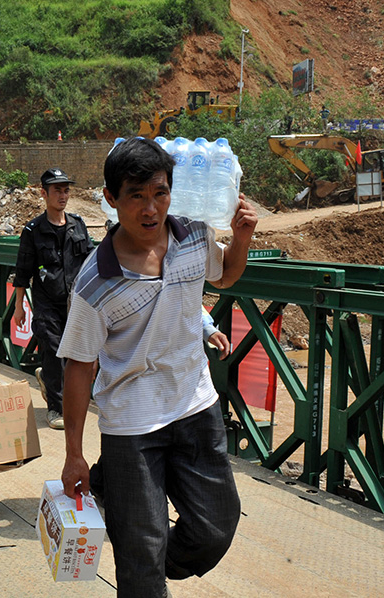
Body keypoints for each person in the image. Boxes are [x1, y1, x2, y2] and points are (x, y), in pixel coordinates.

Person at [58, 137, 257, 598]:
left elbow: (224, 276)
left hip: (195, 405)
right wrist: (73, 453)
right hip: (131, 423)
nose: (151, 209)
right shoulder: (94, 281)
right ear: (111, 198)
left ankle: (141, 555)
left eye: (160, 194)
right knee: (141, 558)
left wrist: (241, 240)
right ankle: (140, 564)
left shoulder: (192, 235)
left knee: (215, 527)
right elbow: (78, 367)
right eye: (137, 196)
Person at [13, 168, 94, 430]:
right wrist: (19, 307)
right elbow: (23, 271)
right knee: (53, 349)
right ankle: (56, 409)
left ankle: (50, 384)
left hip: (76, 302)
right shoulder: (33, 230)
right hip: (47, 302)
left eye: (66, 189)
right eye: (57, 190)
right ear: (44, 193)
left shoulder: (78, 225)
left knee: (75, 356)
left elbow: (92, 262)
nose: (63, 195)